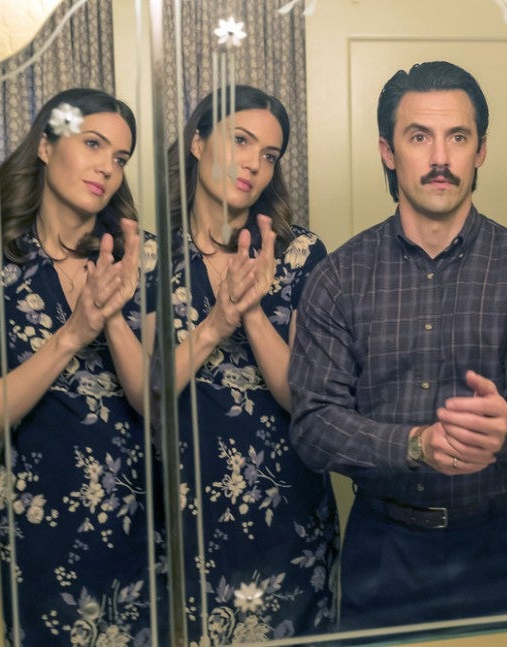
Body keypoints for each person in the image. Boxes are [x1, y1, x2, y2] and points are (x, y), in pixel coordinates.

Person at [289, 60, 507, 630]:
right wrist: (415, 444)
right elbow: (314, 424)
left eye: (457, 137)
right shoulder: (338, 278)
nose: (440, 157)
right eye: (419, 137)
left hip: (504, 546)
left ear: (480, 151)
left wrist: (506, 432)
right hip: (384, 551)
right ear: (388, 151)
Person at [166, 85, 338, 643]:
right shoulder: (150, 257)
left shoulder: (300, 254)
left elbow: (302, 396)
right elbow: (147, 392)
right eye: (240, 141)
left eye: (269, 155)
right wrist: (218, 320)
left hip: (286, 513)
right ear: (197, 142)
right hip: (185, 513)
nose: (253, 165)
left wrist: (253, 311)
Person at [0, 88, 158, 644]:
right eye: (93, 145)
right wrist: (72, 335)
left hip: (136, 527)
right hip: (33, 530)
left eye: (120, 158)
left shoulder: (141, 257)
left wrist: (112, 318)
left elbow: (156, 402)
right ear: (45, 145)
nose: (108, 167)